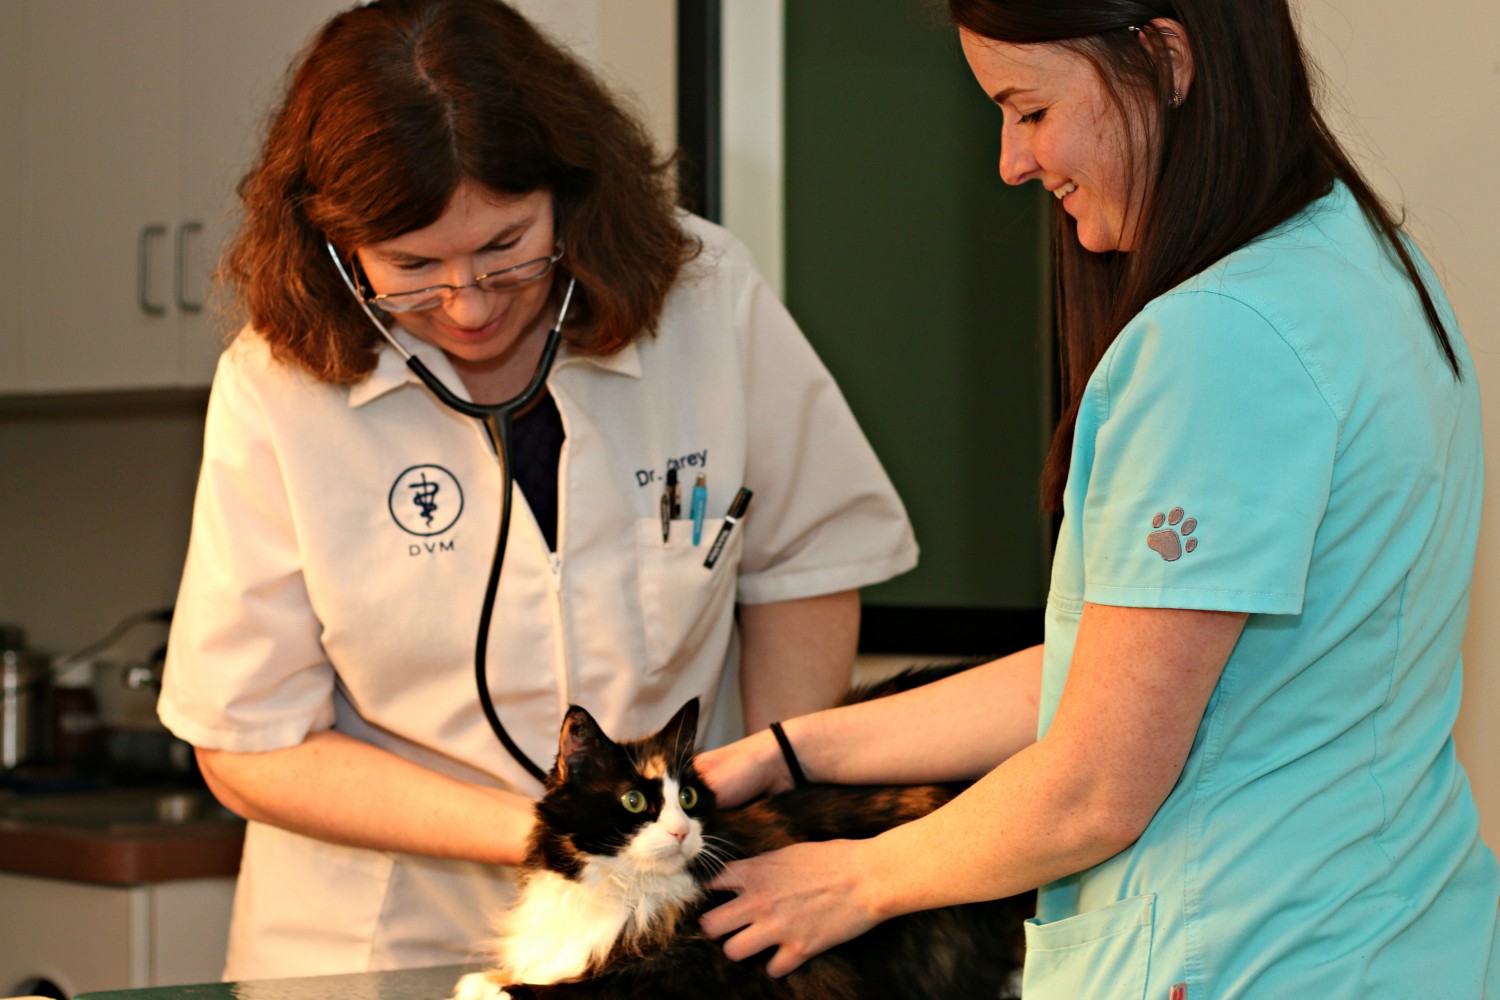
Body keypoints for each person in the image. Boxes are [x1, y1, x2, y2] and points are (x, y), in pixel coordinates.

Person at [696, 1, 1500, 997]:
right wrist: (793, 751)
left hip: (1253, 957)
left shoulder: (1220, 341)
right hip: (1402, 936)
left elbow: (1094, 785)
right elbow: (1114, 675)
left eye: (1028, 111)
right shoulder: (1365, 268)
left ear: (1164, 58)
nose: (1011, 162)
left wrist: (852, 880)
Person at [157, 0, 917, 980]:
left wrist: (766, 826)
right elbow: (248, 738)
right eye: (414, 268)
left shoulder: (704, 298)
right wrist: (556, 836)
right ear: (339, 250)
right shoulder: (278, 384)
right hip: (384, 932)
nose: (468, 304)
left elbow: (807, 565)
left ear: (570, 194)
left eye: (505, 247)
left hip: (669, 910)